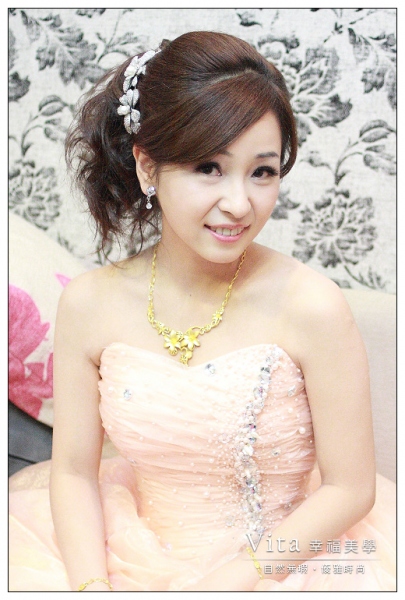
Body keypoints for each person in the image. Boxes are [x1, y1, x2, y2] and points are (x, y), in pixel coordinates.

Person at [9, 31, 395, 592]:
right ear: (148, 168)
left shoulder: (312, 305)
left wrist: (231, 581)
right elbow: (72, 473)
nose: (239, 204)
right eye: (209, 167)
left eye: (262, 172)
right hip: (130, 556)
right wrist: (93, 587)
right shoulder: (90, 304)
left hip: (284, 565)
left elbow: (350, 489)